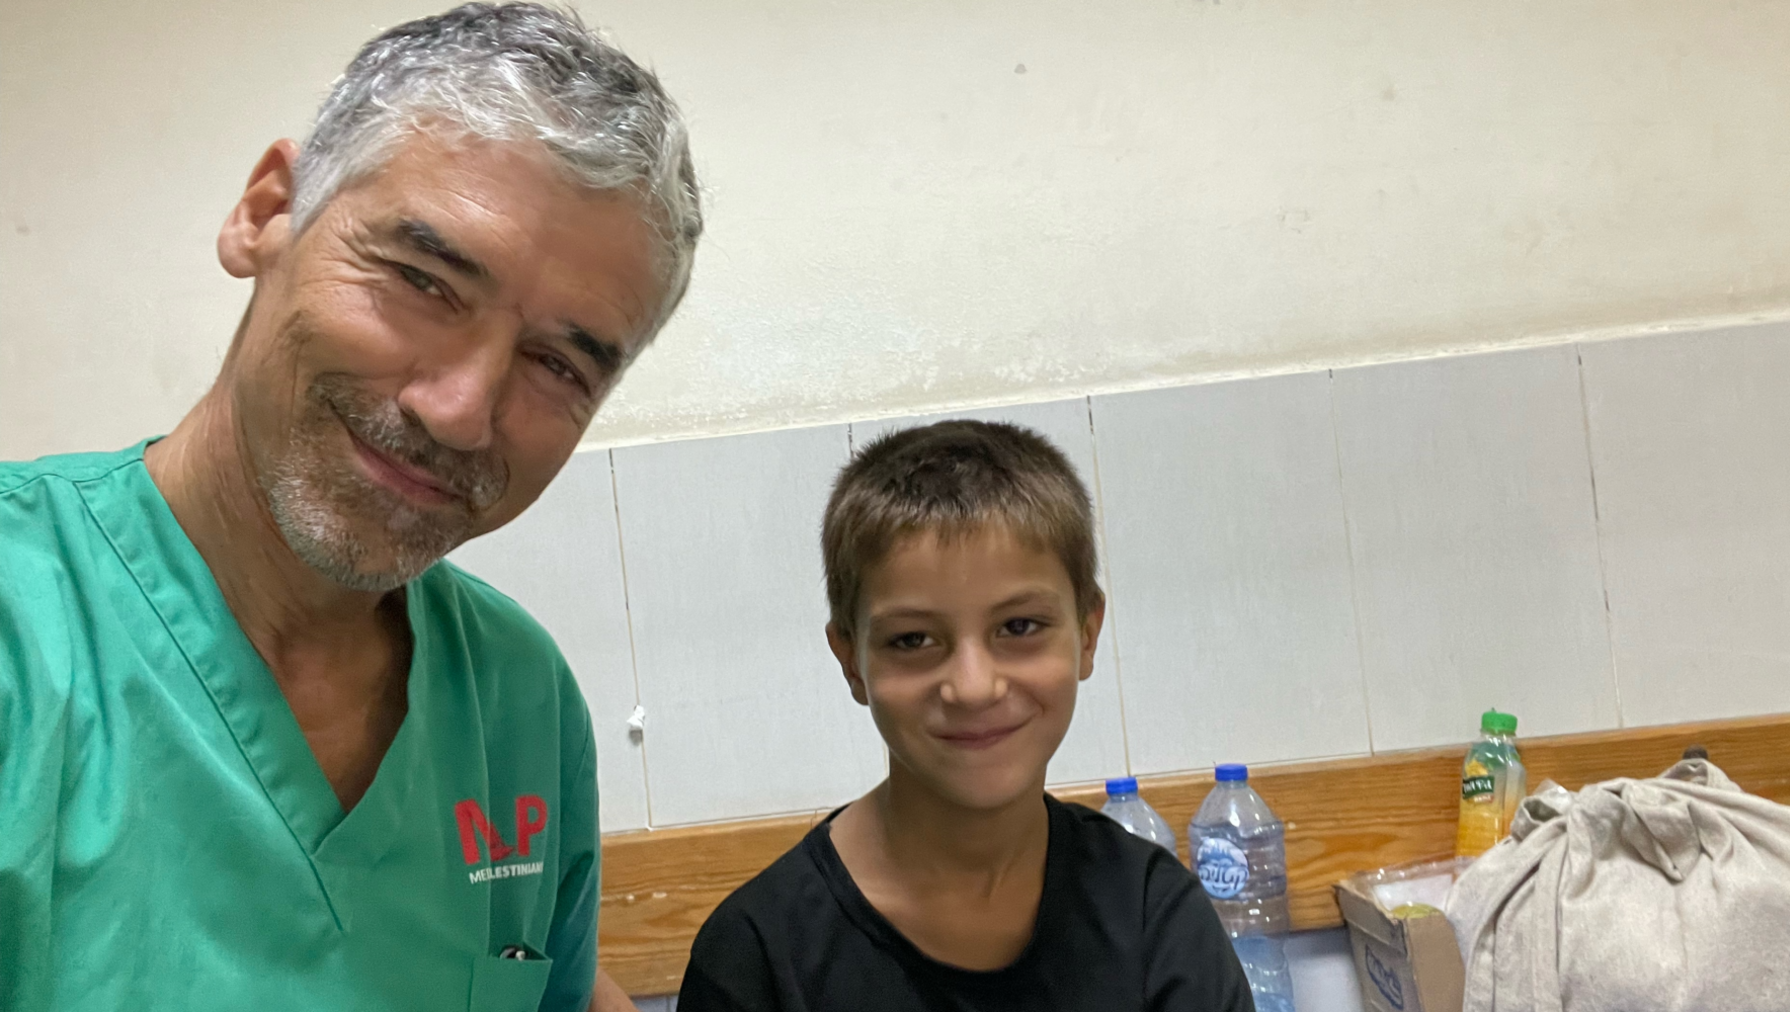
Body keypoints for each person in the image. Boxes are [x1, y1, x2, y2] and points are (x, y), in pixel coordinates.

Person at [0, 5, 701, 1010]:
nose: (461, 412)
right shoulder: (25, 634)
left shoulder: (517, 699)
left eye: (556, 363)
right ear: (268, 211)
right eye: (422, 280)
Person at [678, 421, 1254, 1011]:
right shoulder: (758, 960)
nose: (974, 687)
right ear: (851, 659)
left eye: (1019, 627)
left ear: (1087, 633)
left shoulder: (1152, 915)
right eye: (912, 640)